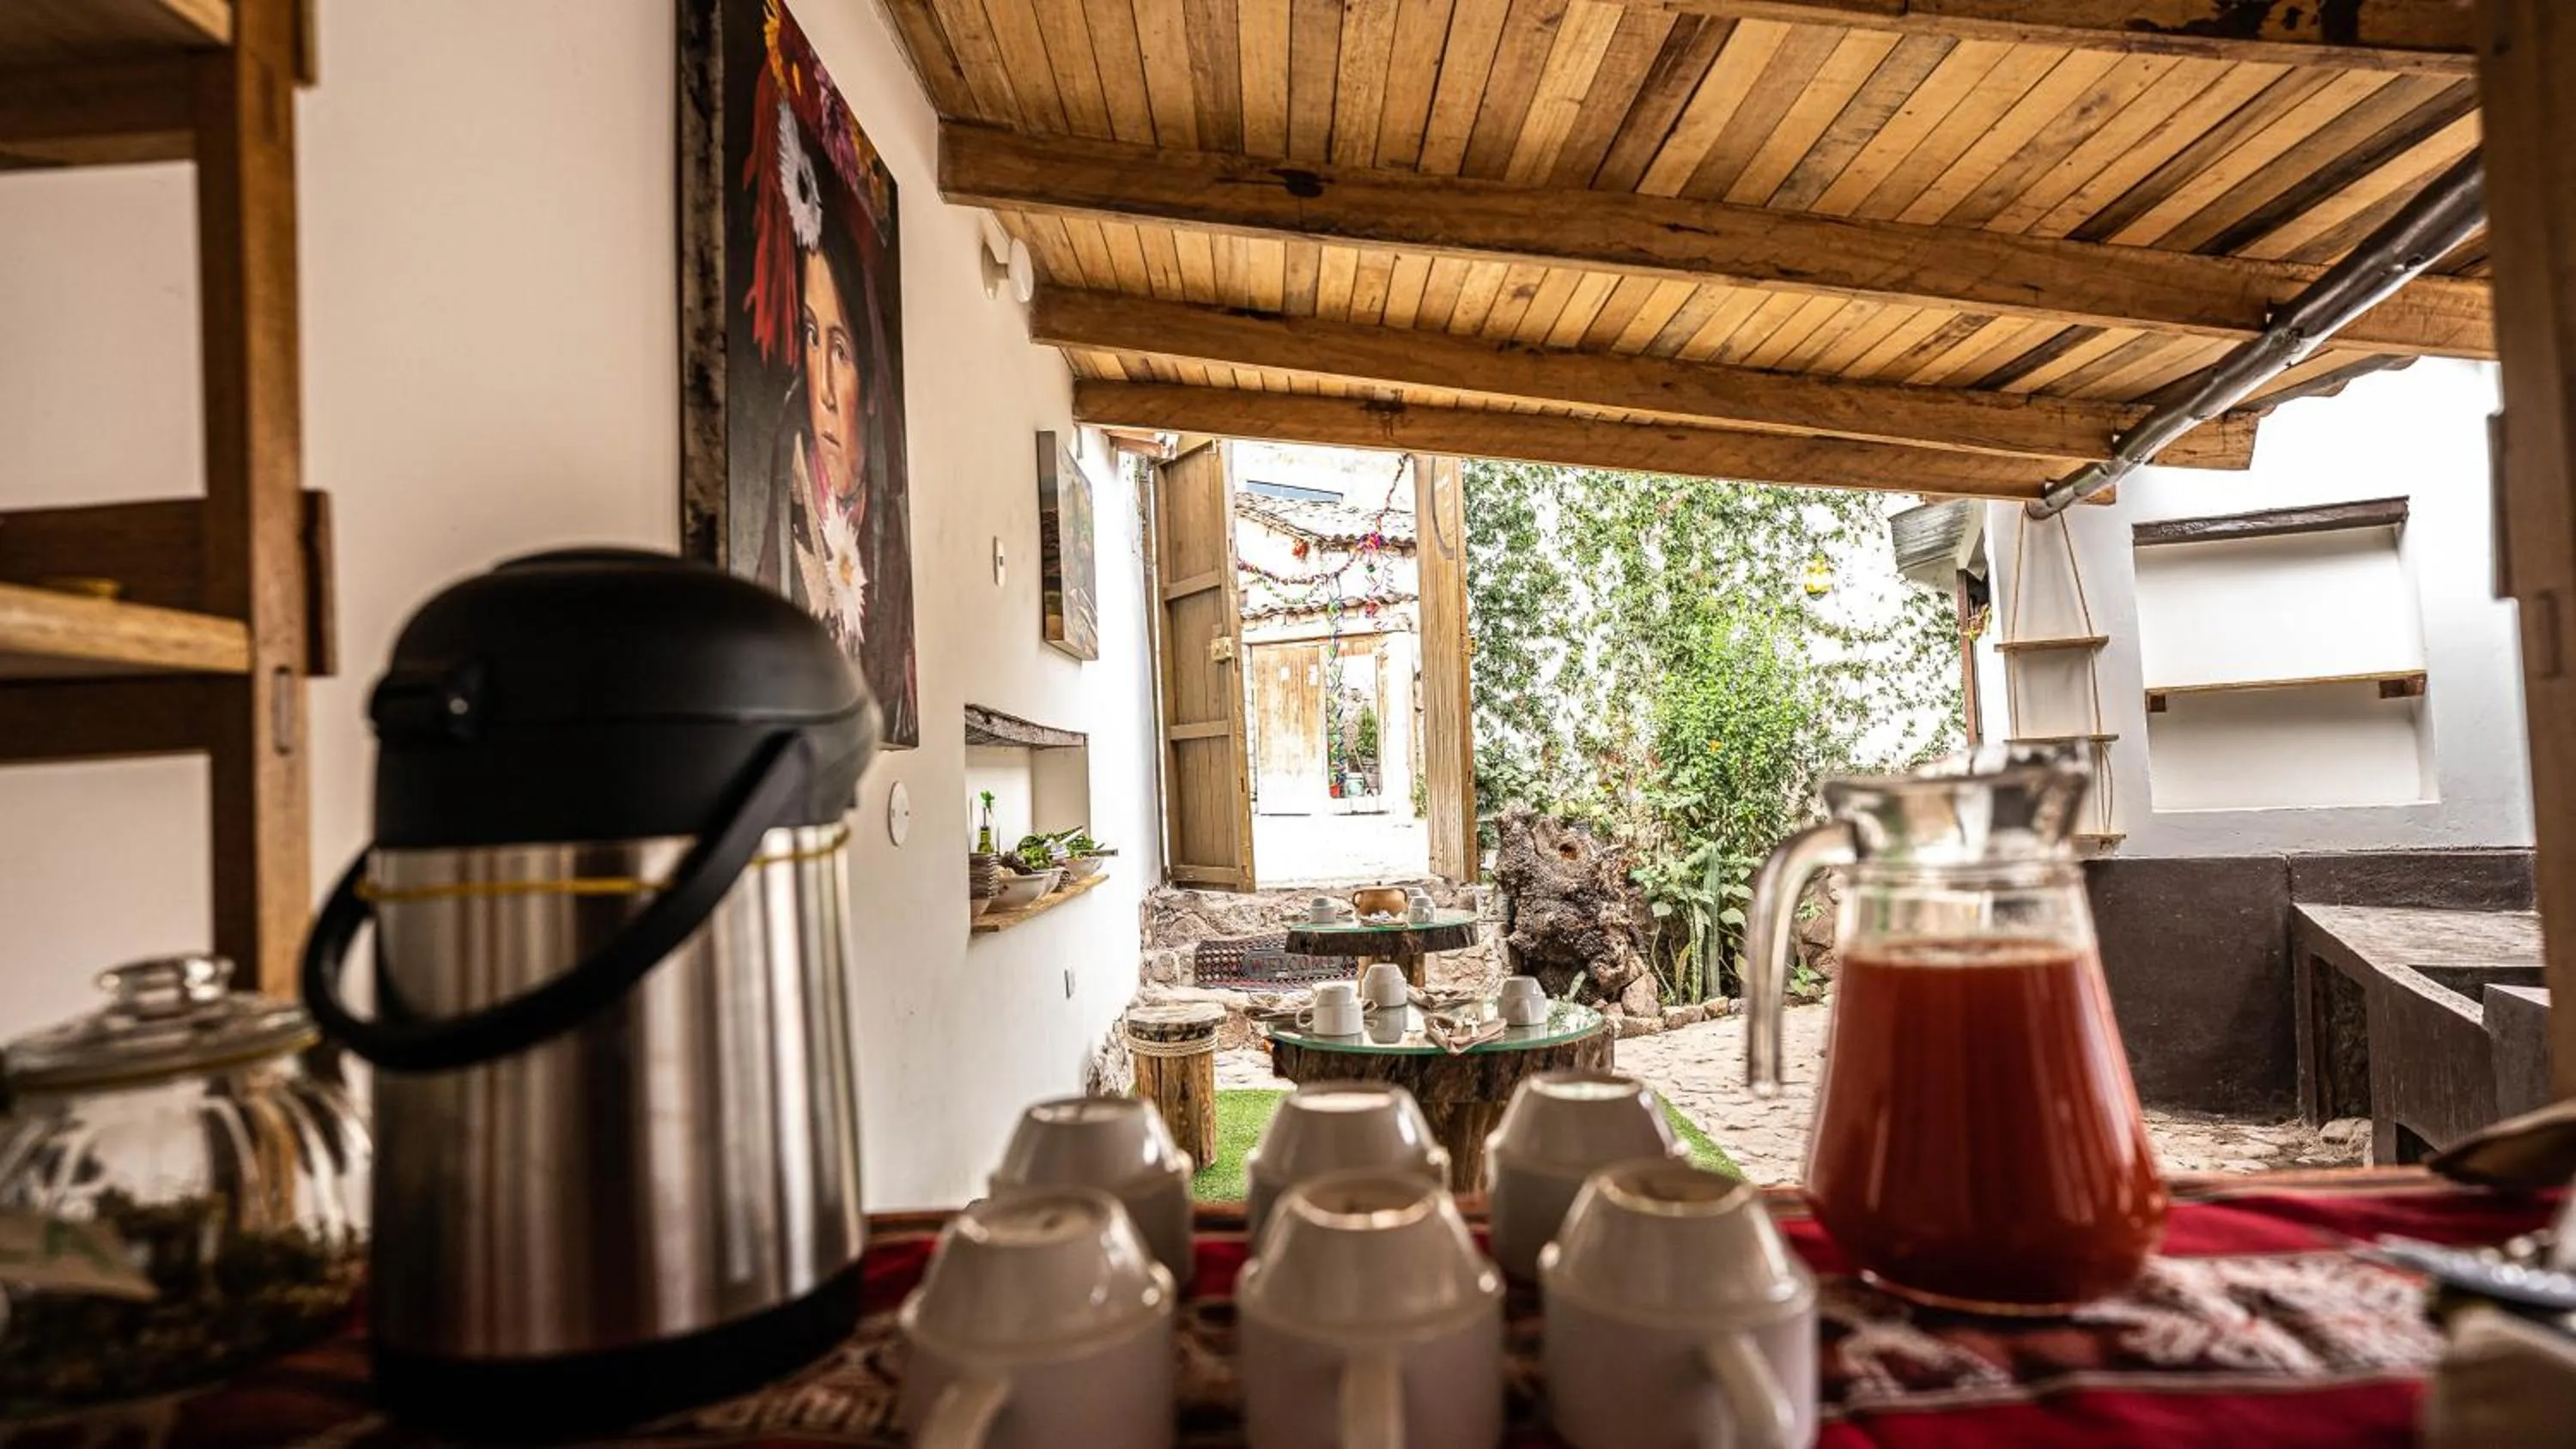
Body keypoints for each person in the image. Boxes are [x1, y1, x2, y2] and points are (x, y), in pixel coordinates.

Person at [750, 200, 918, 745]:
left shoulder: (889, 534)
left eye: (841, 351)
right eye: (811, 335)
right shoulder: (782, 500)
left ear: (870, 388)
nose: (821, 387)